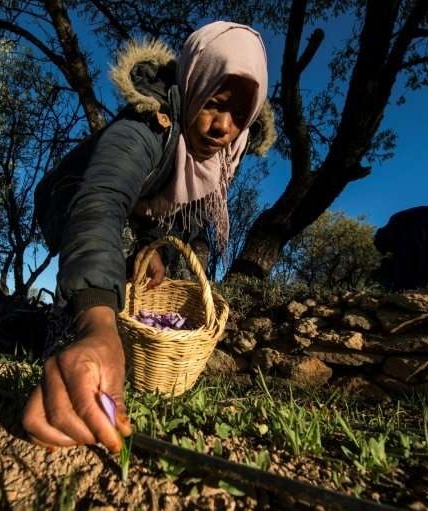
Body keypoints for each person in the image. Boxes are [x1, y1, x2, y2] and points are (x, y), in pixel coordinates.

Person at [25, 21, 276, 452]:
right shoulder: (144, 125)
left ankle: (105, 340)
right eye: (213, 104)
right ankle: (74, 340)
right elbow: (102, 203)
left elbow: (172, 214)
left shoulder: (220, 159)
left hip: (133, 215)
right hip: (72, 199)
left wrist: (149, 245)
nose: (223, 127)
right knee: (98, 298)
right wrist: (97, 328)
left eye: (239, 115)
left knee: (146, 269)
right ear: (194, 85)